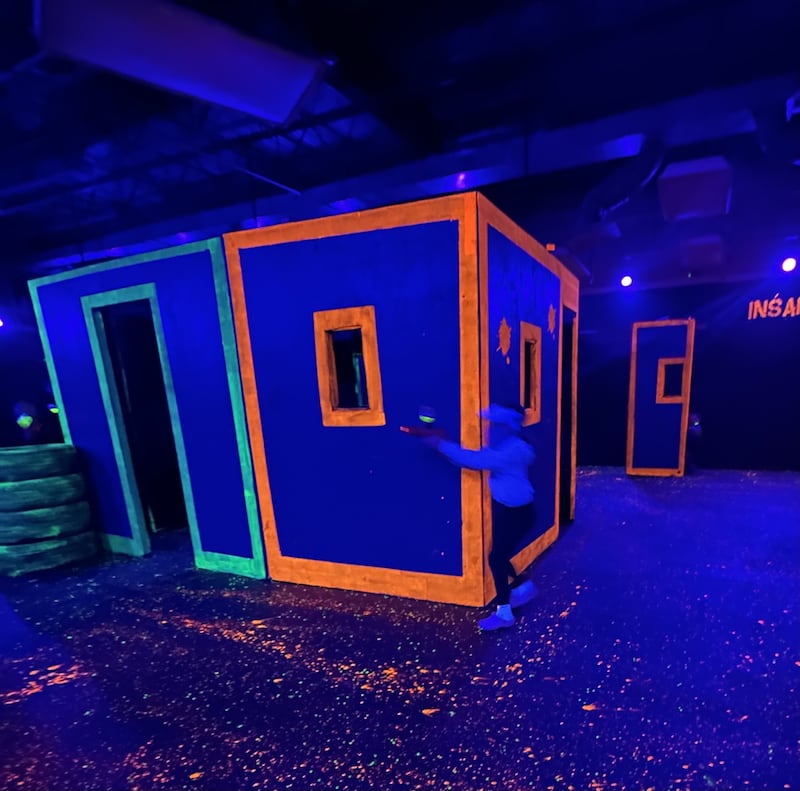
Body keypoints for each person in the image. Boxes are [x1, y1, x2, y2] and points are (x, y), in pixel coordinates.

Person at [406, 403, 538, 631]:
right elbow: (471, 458)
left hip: (518, 513)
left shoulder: (510, 451)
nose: (489, 429)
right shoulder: (509, 447)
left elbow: (475, 461)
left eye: (495, 424)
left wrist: (438, 443)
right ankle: (521, 587)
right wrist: (442, 444)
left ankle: (505, 612)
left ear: (507, 426)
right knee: (499, 555)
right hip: (515, 511)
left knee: (496, 558)